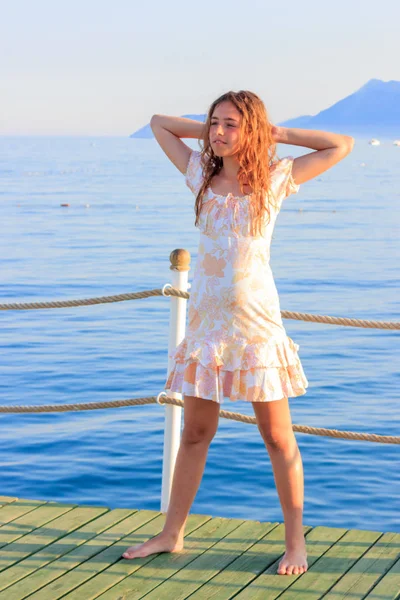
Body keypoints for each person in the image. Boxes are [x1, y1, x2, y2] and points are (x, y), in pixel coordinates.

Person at [122, 90, 354, 575]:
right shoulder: (200, 178)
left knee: (277, 438)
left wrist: (275, 134)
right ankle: (171, 533)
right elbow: (158, 123)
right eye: (214, 124)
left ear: (251, 130)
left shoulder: (274, 178)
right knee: (196, 433)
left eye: (231, 125)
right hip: (207, 329)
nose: (220, 133)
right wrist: (209, 131)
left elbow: (340, 145)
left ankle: (296, 544)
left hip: (256, 327)